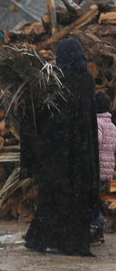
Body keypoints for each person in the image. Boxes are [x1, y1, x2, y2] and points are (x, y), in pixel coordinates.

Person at [21, 37, 98, 257]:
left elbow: (41, 116)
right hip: (82, 153)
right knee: (78, 200)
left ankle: (48, 239)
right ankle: (74, 243)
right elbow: (88, 118)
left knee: (54, 197)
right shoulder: (87, 81)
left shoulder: (55, 82)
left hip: (58, 154)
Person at [91, 91, 115, 242]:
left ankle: (97, 226)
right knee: (95, 197)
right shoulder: (111, 125)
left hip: (97, 167)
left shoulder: (97, 123)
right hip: (107, 169)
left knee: (91, 199)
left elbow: (97, 141)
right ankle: (97, 226)